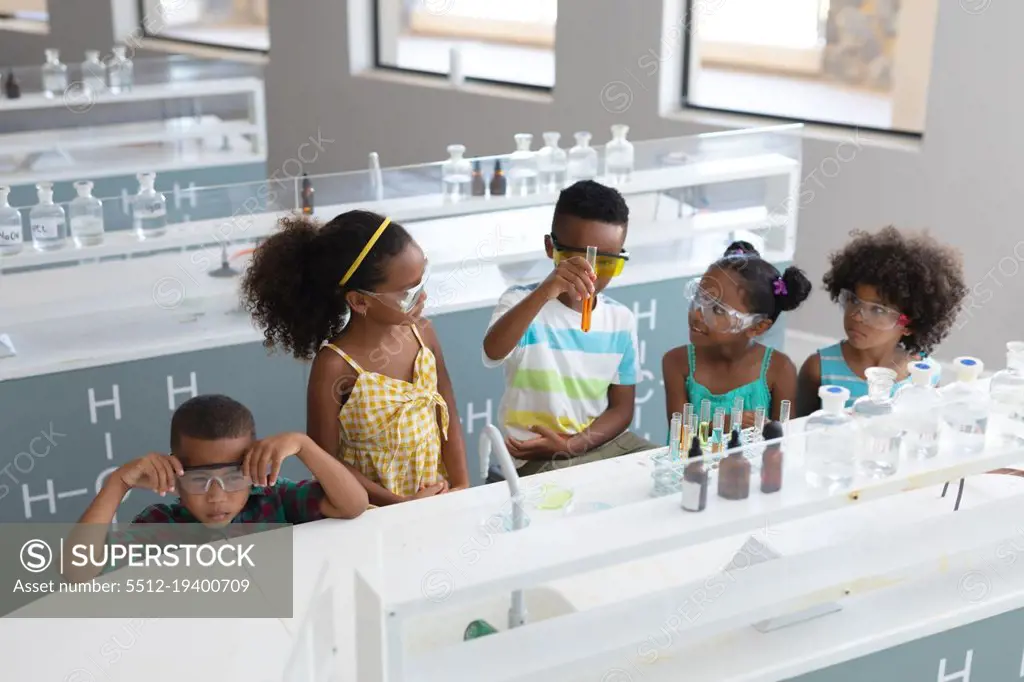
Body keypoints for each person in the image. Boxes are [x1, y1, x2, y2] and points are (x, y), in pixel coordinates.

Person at [241, 211, 469, 505]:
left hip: (435, 501)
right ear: (360, 301)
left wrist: (461, 483)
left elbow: (446, 411)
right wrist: (398, 505)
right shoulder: (335, 365)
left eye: (421, 283)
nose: (421, 298)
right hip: (373, 516)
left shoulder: (423, 332)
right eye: (406, 293)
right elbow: (326, 463)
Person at [66, 395, 368, 582]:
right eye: (199, 481)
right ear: (176, 475)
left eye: (235, 477)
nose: (217, 496)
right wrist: (118, 483)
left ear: (254, 469)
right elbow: (76, 571)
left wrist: (304, 446)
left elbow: (352, 504)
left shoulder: (275, 500)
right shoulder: (161, 526)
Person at [482, 180, 649, 479]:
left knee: (664, 467)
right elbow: (492, 352)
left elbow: (621, 410)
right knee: (575, 493)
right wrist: (546, 291)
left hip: (595, 444)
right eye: (578, 259)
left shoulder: (620, 320)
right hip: (534, 451)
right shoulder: (520, 302)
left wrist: (573, 445)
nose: (591, 274)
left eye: (608, 263)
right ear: (551, 248)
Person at [797, 226, 966, 416]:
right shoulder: (818, 368)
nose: (857, 316)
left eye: (877, 310)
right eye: (853, 300)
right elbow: (795, 433)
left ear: (909, 324)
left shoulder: (925, 374)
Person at [663, 241, 812, 428]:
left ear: (757, 327)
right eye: (700, 298)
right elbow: (681, 436)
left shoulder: (779, 370)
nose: (698, 314)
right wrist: (722, 425)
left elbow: (784, 441)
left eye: (717, 310)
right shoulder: (677, 362)